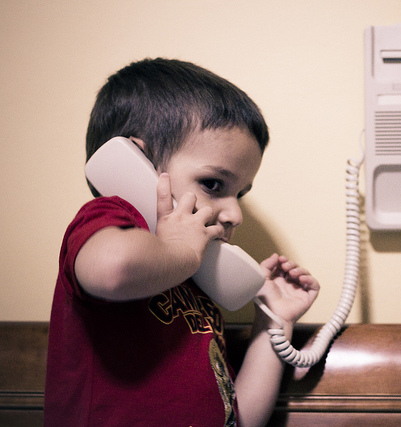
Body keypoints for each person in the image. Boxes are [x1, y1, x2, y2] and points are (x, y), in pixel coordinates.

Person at [44, 58, 320, 427]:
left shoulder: (198, 283)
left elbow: (240, 418)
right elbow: (112, 269)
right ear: (133, 164)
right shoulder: (107, 219)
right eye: (213, 184)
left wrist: (275, 322)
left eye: (240, 194)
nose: (234, 214)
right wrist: (182, 251)